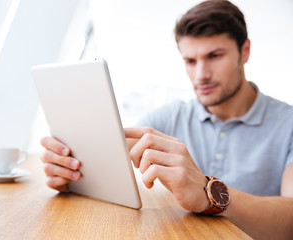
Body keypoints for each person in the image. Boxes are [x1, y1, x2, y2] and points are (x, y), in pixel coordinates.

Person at [40, 0, 293, 239]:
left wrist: (208, 193)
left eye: (215, 56)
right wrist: (72, 172)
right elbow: (108, 155)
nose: (201, 74)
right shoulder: (170, 116)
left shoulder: (288, 123)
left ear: (244, 51)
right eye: (190, 61)